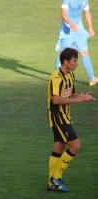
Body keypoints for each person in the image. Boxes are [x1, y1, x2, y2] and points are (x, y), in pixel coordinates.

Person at [47, 48, 95, 192]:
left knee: (59, 148)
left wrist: (81, 96)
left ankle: (51, 183)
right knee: (75, 146)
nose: (77, 64)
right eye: (74, 61)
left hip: (65, 116)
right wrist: (80, 100)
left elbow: (70, 94)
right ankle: (56, 178)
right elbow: (55, 100)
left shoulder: (70, 75)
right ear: (66, 62)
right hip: (58, 117)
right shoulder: (56, 77)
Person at [55, 0, 97, 86]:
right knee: (63, 54)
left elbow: (87, 12)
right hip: (68, 30)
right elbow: (63, 14)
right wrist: (71, 23)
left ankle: (92, 78)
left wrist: (90, 27)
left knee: (84, 53)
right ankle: (58, 78)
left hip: (79, 30)